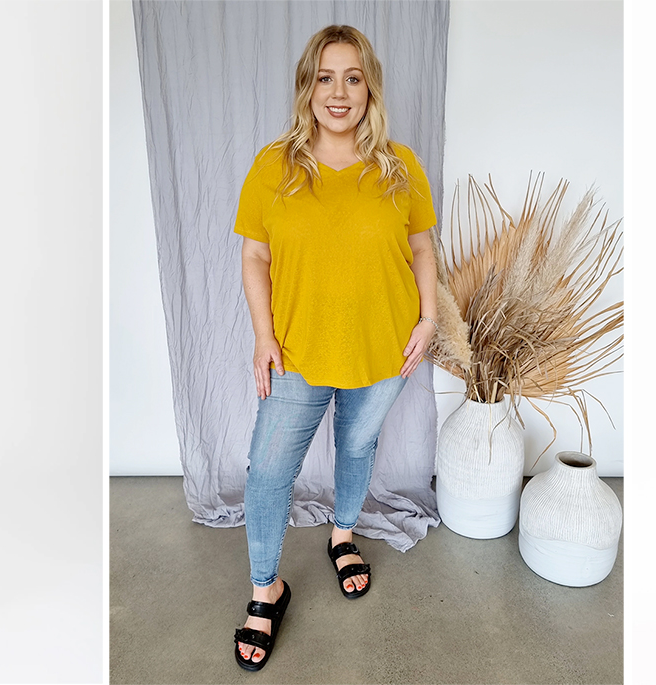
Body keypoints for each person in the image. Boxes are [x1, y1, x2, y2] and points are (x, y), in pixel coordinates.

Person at [228, 24, 438, 671]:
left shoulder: (399, 165)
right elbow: (255, 254)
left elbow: (422, 246)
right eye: (325, 77)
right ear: (307, 88)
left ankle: (342, 535)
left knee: (356, 444)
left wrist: (428, 317)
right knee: (268, 472)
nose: (338, 92)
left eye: (352, 77)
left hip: (382, 346)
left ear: (369, 87)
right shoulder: (275, 165)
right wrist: (263, 335)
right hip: (296, 350)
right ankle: (267, 588)